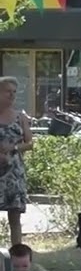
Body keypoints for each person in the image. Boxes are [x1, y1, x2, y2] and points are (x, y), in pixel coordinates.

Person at [0, 76, 33, 246]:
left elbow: (29, 143)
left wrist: (13, 149)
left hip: (14, 174)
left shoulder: (21, 116)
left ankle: (16, 255)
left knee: (15, 217)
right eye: (7, 91)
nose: (12, 95)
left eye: (14, 92)